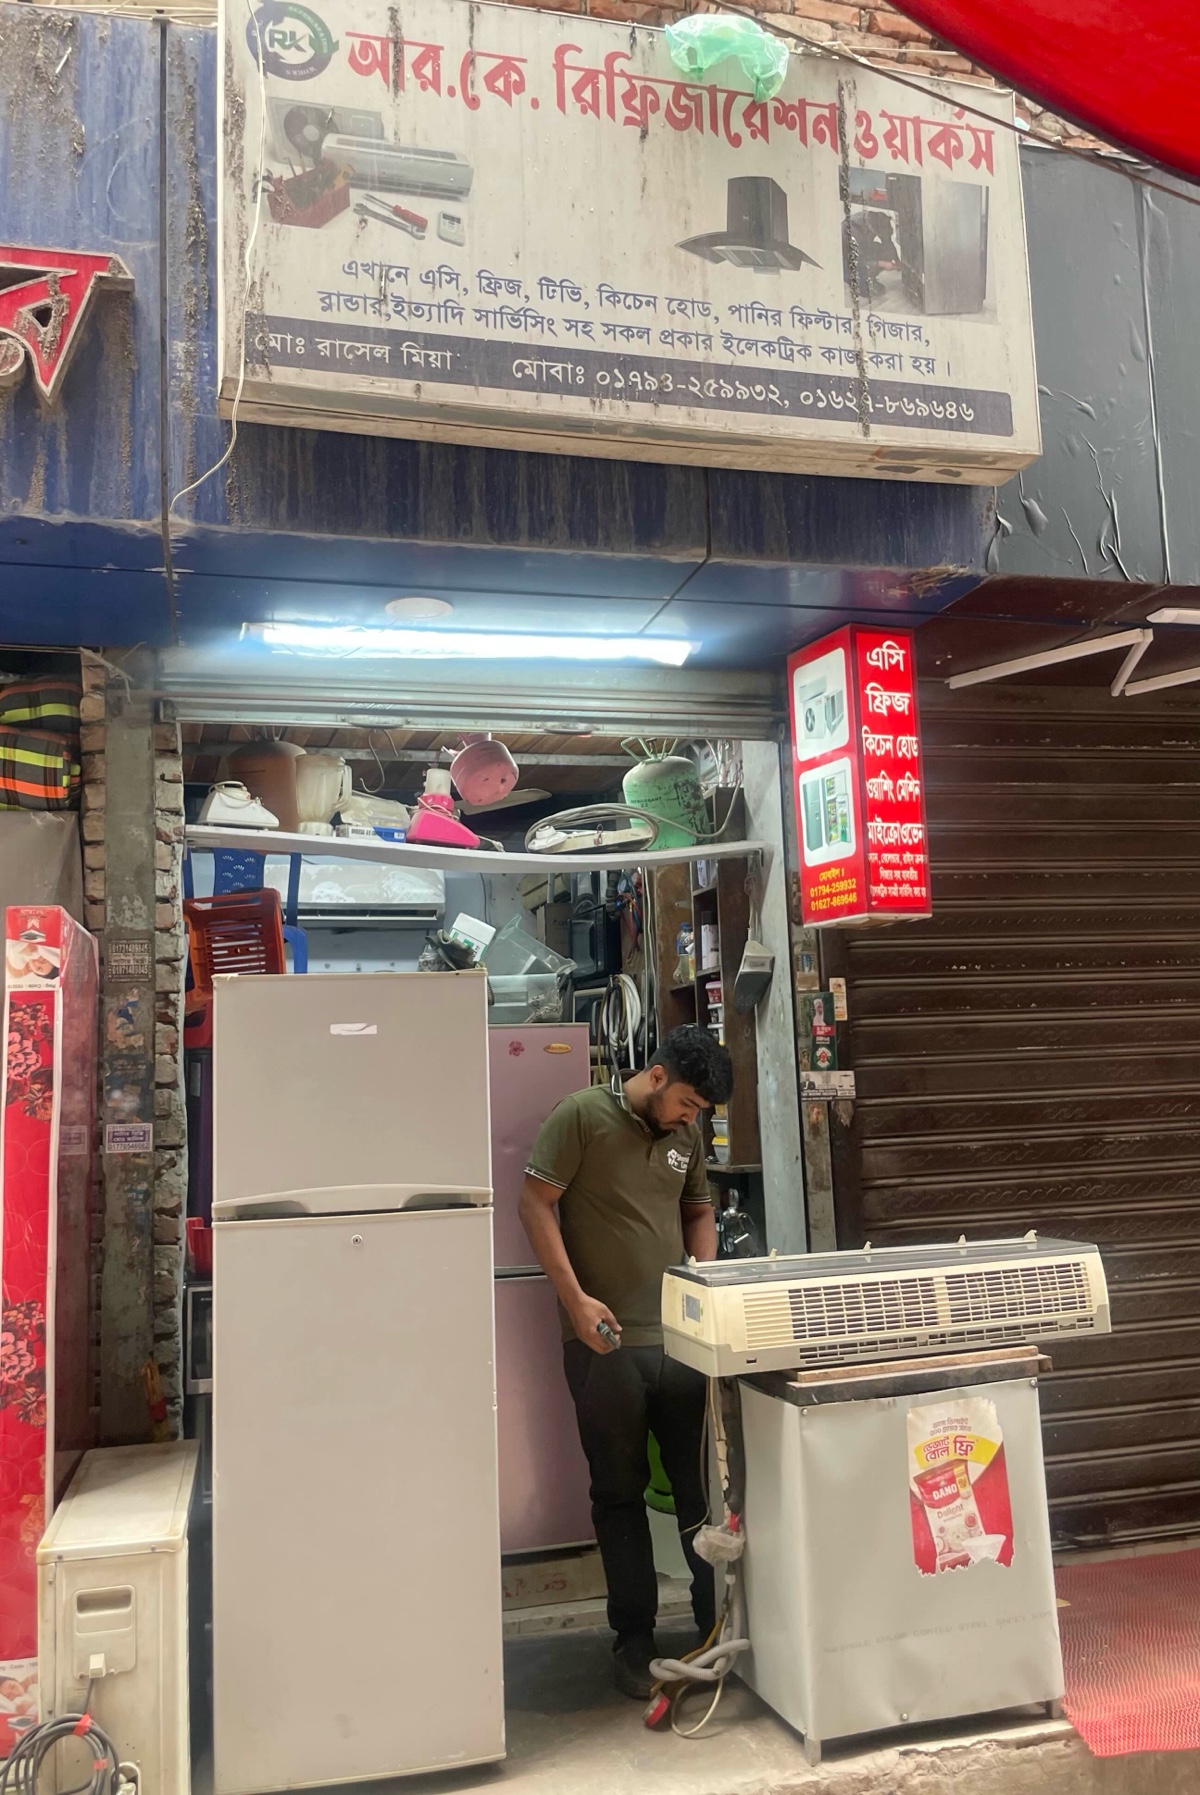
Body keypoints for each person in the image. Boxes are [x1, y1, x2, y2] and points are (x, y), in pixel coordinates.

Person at [519, 1025, 734, 1699]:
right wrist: (575, 1300)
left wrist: (702, 1282)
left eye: (700, 1110)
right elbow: (535, 1204)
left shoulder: (685, 1137)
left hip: (679, 1343)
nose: (691, 1118)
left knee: (701, 1492)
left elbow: (698, 1211)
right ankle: (634, 1640)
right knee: (618, 1493)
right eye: (688, 1102)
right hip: (603, 1344)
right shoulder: (581, 1116)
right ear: (658, 1075)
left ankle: (715, 1626)